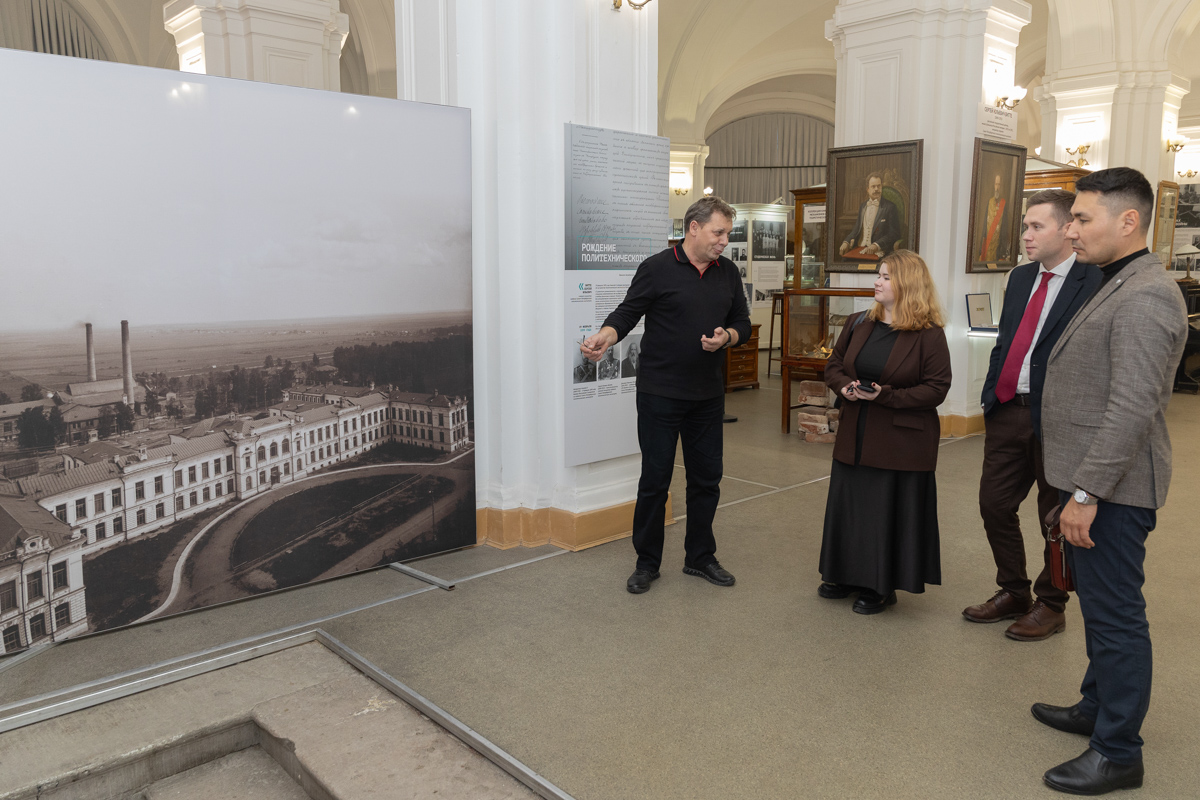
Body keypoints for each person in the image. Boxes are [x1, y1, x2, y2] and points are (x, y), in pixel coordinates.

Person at [1034, 167, 1188, 795]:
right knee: (1099, 608)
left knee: (1118, 617)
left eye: (1082, 219)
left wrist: (1085, 494)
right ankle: (1097, 705)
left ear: (1128, 222)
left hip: (1113, 492)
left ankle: (1118, 750)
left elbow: (1132, 407)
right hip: (1097, 485)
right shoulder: (1117, 279)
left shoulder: (1147, 293)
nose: (1071, 230)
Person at [580, 196, 751, 594]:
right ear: (694, 227)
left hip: (707, 395)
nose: (724, 241)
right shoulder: (656, 268)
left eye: (727, 233)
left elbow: (741, 320)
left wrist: (728, 336)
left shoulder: (727, 272)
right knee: (655, 480)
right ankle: (647, 562)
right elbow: (626, 313)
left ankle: (700, 556)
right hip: (660, 394)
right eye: (718, 232)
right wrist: (605, 336)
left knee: (707, 479)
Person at [963, 189, 1101, 640]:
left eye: (1036, 226)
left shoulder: (1093, 280)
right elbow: (1006, 340)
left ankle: (1052, 602)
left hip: (1058, 417)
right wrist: (990, 394)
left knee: (1051, 515)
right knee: (994, 504)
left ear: (1067, 228)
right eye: (1025, 225)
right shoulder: (1021, 278)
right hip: (1008, 409)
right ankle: (1013, 590)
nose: (1025, 234)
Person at [817, 250, 952, 614]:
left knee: (883, 511)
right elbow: (833, 364)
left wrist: (885, 395)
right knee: (852, 506)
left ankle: (880, 586)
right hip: (856, 434)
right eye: (879, 275)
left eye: (886, 277)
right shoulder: (858, 321)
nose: (877, 281)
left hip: (901, 440)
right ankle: (842, 574)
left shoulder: (929, 334)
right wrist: (844, 386)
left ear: (907, 284)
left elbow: (937, 388)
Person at [839, 172, 901, 259]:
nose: (876, 189)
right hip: (860, 248)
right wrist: (846, 242)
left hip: (879, 251)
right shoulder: (863, 206)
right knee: (844, 261)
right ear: (867, 189)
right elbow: (856, 229)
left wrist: (876, 245)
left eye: (879, 186)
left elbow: (894, 233)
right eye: (873, 186)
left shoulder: (890, 207)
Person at [978, 174, 1010, 261]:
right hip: (987, 246)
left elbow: (1004, 229)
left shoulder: (1004, 204)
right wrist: (981, 250)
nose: (997, 187)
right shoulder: (989, 202)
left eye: (999, 184)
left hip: (997, 249)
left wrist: (1002, 253)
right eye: (996, 184)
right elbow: (985, 226)